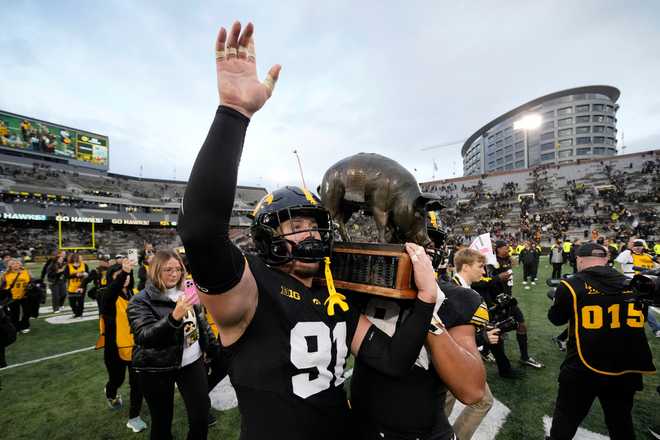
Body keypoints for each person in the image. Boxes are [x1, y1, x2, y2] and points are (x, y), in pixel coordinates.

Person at [176, 21, 440, 440]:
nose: (308, 235)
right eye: (294, 226)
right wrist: (234, 113)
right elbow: (200, 230)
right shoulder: (250, 289)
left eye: (313, 225)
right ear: (267, 236)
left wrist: (426, 300)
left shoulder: (333, 291)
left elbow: (391, 360)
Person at [547, 243, 656, 439]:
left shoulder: (572, 285)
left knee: (566, 418)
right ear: (606, 259)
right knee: (620, 421)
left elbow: (556, 319)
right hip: (627, 365)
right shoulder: (635, 283)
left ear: (579, 260)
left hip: (584, 364)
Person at [127, 249, 219, 440]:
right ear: (155, 270)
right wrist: (173, 317)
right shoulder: (140, 300)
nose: (174, 274)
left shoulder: (187, 289)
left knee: (201, 416)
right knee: (162, 422)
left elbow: (200, 323)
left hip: (192, 363)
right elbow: (144, 337)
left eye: (178, 269)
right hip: (156, 367)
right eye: (168, 269)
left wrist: (212, 348)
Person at [442, 249, 495, 440]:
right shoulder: (456, 292)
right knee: (483, 401)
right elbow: (448, 335)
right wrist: (484, 339)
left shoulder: (465, 290)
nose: (484, 271)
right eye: (480, 266)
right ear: (465, 267)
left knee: (443, 406)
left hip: (455, 359)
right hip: (453, 359)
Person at [471, 241, 543, 377]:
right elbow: (484, 282)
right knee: (498, 331)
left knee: (521, 325)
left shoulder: (508, 259)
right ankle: (495, 359)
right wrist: (497, 277)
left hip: (508, 300)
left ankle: (524, 357)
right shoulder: (490, 263)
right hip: (497, 302)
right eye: (505, 247)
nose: (508, 249)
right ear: (497, 249)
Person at [96, 258, 146, 433]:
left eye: (126, 275)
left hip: (136, 348)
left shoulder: (135, 293)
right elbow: (112, 292)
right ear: (112, 278)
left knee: (137, 383)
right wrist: (124, 271)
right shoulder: (104, 294)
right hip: (115, 349)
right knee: (117, 380)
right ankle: (110, 392)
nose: (124, 278)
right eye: (119, 276)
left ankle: (134, 417)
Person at [0, 259, 31, 333]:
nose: (16, 265)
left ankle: (25, 326)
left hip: (25, 296)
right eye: (13, 264)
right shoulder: (5, 275)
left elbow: (30, 282)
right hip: (12, 297)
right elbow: (2, 286)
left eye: (17, 263)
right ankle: (16, 327)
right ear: (10, 266)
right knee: (15, 314)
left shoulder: (26, 272)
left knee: (27, 312)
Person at [63, 253, 89, 318]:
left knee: (80, 301)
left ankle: (80, 313)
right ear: (75, 258)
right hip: (71, 287)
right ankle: (76, 312)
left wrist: (86, 274)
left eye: (81, 257)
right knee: (72, 302)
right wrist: (75, 275)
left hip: (82, 287)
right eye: (80, 257)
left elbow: (88, 275)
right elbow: (66, 276)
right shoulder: (68, 266)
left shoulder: (85, 265)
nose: (81, 258)